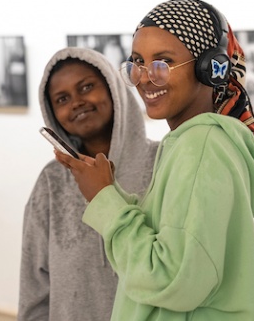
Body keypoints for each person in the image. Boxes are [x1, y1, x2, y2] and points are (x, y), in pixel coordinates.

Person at [55, 0, 254, 320]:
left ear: (209, 68)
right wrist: (112, 192)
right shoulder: (198, 142)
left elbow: (172, 280)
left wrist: (103, 199)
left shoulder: (201, 146)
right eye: (137, 63)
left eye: (163, 63)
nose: (144, 78)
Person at [18, 47, 158, 321]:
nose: (76, 102)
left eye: (86, 87)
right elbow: (34, 287)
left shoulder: (162, 162)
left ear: (112, 88)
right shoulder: (52, 182)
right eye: (62, 99)